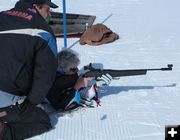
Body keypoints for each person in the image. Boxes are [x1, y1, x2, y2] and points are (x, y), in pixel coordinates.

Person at [0, 0, 59, 139]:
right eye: (47, 9)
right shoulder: (42, 30)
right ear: (36, 7)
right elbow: (45, 75)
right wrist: (31, 103)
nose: (49, 14)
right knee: (42, 120)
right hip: (6, 94)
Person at [47, 48, 112, 111]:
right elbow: (59, 106)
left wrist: (95, 87)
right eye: (74, 69)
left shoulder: (63, 76)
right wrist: (76, 87)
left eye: (77, 68)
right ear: (63, 70)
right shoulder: (51, 83)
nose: (77, 70)